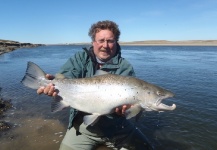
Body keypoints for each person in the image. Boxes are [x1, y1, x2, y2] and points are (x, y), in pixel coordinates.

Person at [37, 20, 152, 150]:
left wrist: (126, 111)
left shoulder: (125, 67)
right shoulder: (80, 59)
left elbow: (131, 106)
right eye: (101, 40)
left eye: (110, 41)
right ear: (93, 42)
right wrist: (52, 84)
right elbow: (65, 76)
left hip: (117, 128)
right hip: (83, 127)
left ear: (116, 42)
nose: (105, 45)